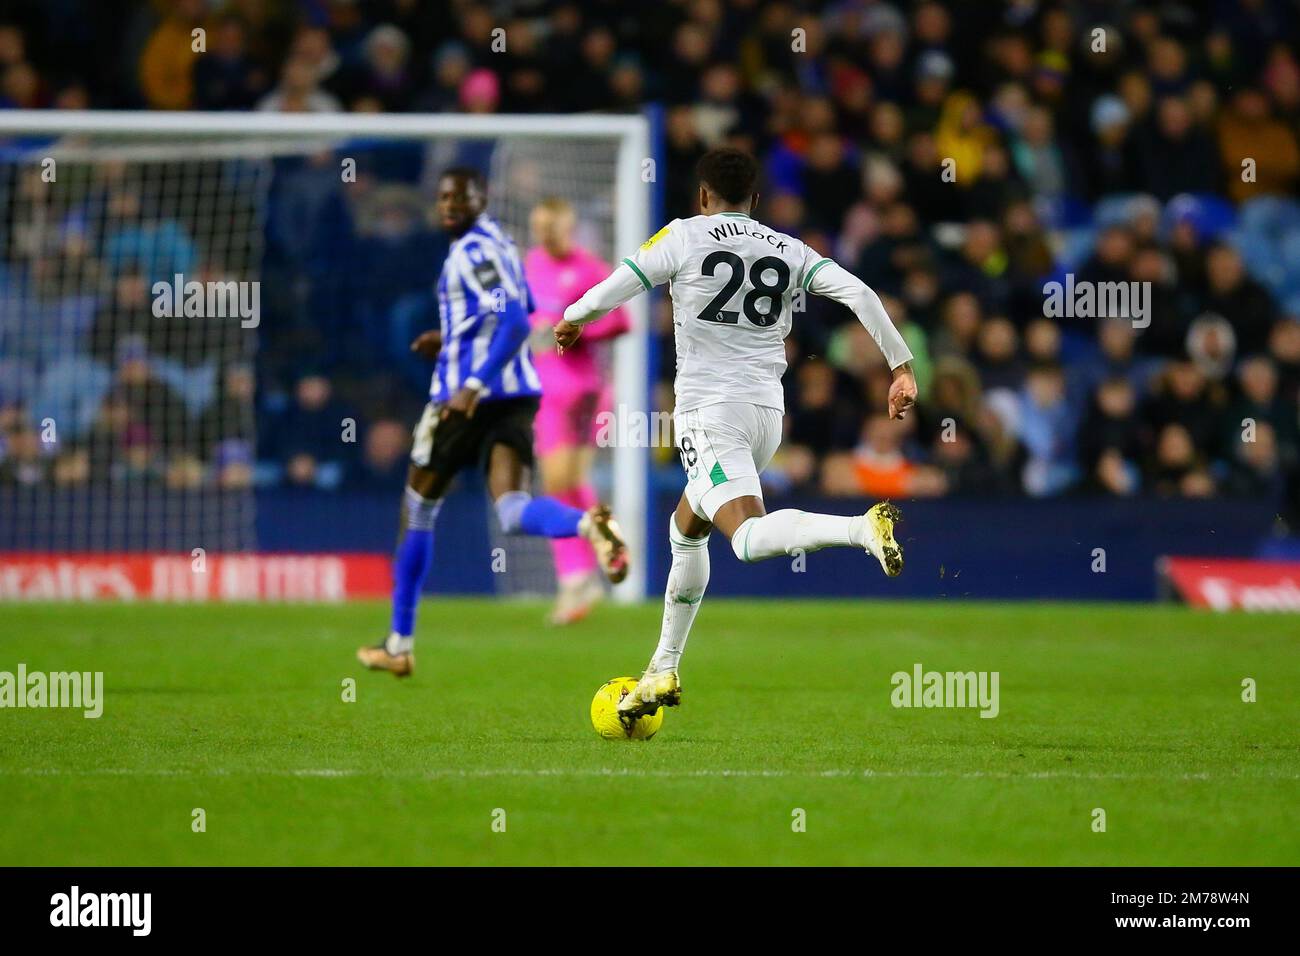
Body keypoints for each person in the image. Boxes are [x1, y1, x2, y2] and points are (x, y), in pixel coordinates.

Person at [554, 147, 917, 722]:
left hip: (709, 414)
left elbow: (622, 282)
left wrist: (574, 315)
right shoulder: (788, 248)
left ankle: (860, 528)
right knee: (686, 526)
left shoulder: (684, 236)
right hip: (767, 415)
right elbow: (860, 294)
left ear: (703, 195)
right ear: (756, 200)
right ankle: (662, 668)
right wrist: (899, 367)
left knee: (745, 539)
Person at [358, 168, 628, 677]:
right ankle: (587, 524)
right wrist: (451, 338)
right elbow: (520, 307)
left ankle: (400, 641)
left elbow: (510, 321)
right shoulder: (503, 245)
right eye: (442, 197)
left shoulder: (475, 252)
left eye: (460, 198)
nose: (448, 206)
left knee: (416, 507)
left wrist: (474, 380)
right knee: (512, 508)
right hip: (522, 395)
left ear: (481, 200)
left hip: (471, 400)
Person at [524, 198, 630, 624]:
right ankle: (600, 547)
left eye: (553, 226)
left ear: (569, 226)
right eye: (540, 226)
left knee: (557, 483)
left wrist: (576, 326)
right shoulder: (531, 264)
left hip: (581, 389)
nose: (546, 233)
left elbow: (620, 321)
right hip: (546, 388)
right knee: (565, 483)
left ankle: (576, 575)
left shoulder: (589, 268)